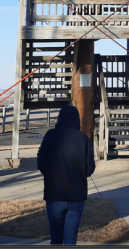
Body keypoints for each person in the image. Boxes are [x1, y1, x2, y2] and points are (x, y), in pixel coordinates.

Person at [37, 105, 96, 245]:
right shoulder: (83, 138)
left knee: (56, 240)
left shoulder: (49, 136)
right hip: (76, 197)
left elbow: (41, 164)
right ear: (77, 120)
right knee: (70, 241)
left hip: (54, 196)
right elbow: (90, 170)